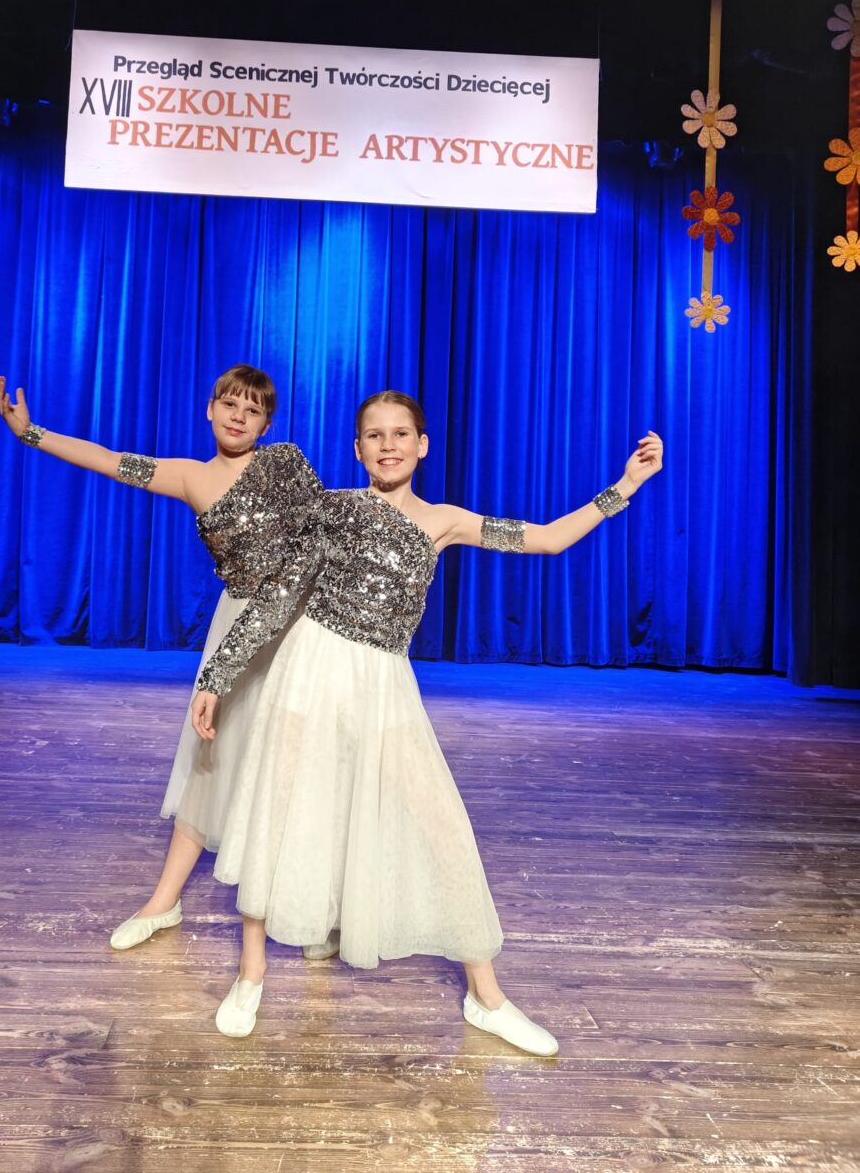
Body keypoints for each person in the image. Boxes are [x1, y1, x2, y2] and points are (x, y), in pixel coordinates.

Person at [190, 390, 663, 1051]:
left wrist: (625, 486)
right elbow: (278, 595)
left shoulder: (445, 521)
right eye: (374, 435)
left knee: (442, 826)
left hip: (383, 683)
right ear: (358, 449)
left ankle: (486, 998)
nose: (388, 445)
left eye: (400, 433)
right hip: (310, 670)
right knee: (280, 812)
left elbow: (548, 539)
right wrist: (217, 676)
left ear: (422, 445)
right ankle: (250, 974)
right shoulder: (333, 509)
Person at [0, 365, 323, 949]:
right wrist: (31, 433)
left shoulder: (286, 463)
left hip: (297, 625)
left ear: (267, 424)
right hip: (236, 624)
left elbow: (323, 538)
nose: (239, 416)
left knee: (303, 761)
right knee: (209, 758)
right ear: (210, 409)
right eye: (229, 404)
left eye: (252, 410)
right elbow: (109, 460)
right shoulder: (190, 477)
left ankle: (318, 909)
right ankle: (163, 901)